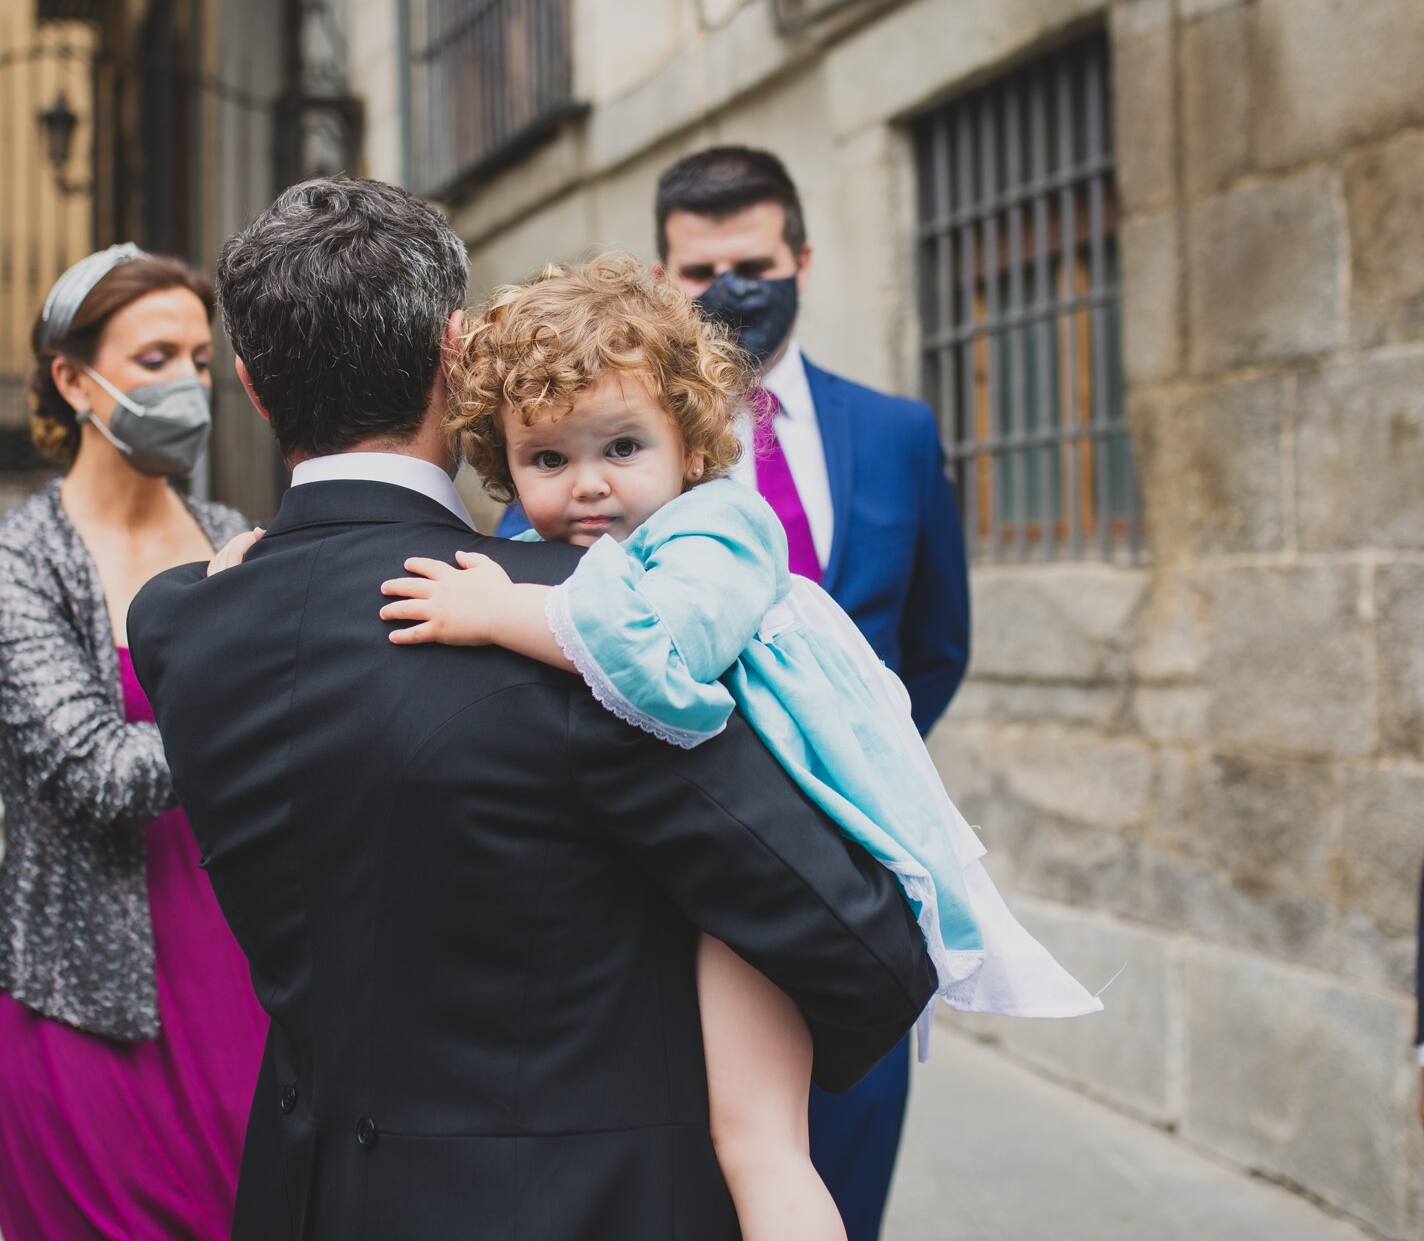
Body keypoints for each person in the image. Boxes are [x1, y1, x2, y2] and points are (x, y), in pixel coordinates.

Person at [127, 176, 936, 1241]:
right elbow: (851, 937)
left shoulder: (186, 622)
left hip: (304, 1198)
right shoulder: (576, 616)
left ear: (248, 385)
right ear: (455, 353)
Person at [371, 254, 1099, 1240]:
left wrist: (502, 612)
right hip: (707, 854)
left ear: (692, 443)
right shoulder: (588, 544)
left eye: (620, 446)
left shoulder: (722, 528)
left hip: (778, 857)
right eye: (546, 460)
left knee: (755, 1139)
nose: (585, 485)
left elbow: (657, 665)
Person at [497, 146, 972, 1237]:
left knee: (830, 1170)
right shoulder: (577, 468)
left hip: (849, 883)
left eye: (753, 262)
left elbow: (935, 644)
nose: (731, 292)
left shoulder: (894, 434)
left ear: (801, 257)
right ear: (664, 280)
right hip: (661, 904)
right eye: (701, 273)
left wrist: (841, 775)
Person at [0, 243, 266, 1240]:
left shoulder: (232, 531)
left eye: (197, 359)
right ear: (69, 376)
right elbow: (93, 772)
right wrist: (263, 690)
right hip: (82, 1005)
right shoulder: (13, 560)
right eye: (152, 359)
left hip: (246, 982)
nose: (184, 383)